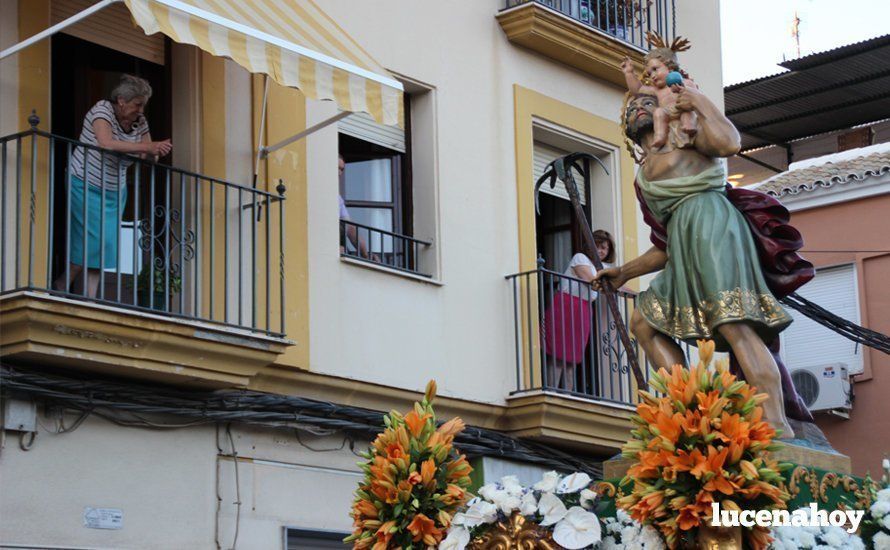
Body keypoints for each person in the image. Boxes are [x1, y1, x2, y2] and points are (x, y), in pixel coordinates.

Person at [594, 83, 812, 438]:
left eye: (647, 102)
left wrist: (698, 101)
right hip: (682, 247)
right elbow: (663, 244)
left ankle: (775, 424)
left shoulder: (686, 136)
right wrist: (623, 272)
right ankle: (690, 410)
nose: (637, 109)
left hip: (714, 230)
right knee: (643, 323)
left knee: (733, 323)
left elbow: (729, 144)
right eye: (631, 107)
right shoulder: (641, 175)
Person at [55, 74, 172, 298]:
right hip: (84, 182)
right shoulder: (102, 110)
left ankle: (89, 297)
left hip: (115, 190)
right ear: (121, 101)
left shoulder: (141, 122)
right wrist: (146, 146)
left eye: (143, 105)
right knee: (90, 240)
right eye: (137, 104)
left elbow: (149, 154)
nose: (141, 110)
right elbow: (106, 143)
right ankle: (63, 283)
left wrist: (154, 151)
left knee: (105, 244)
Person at [542, 229, 616, 392]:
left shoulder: (603, 267)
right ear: (590, 246)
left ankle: (568, 395)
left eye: (605, 248)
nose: (601, 251)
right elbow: (590, 280)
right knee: (558, 355)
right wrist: (610, 282)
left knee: (572, 358)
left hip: (583, 309)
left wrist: (638, 295)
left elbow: (618, 283)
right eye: (598, 246)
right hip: (566, 306)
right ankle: (552, 392)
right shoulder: (580, 258)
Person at [622, 32, 698, 151]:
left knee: (687, 112)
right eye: (649, 73)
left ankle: (689, 126)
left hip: (681, 108)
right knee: (658, 113)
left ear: (670, 67)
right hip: (667, 112)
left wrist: (682, 90)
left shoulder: (684, 82)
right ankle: (660, 136)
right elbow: (638, 89)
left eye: (655, 70)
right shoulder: (657, 90)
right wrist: (629, 73)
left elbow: (694, 94)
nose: (652, 75)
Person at [338, 155, 378, 262]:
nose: (339, 173)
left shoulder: (337, 199)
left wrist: (366, 255)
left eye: (342, 169)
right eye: (337, 168)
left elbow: (350, 228)